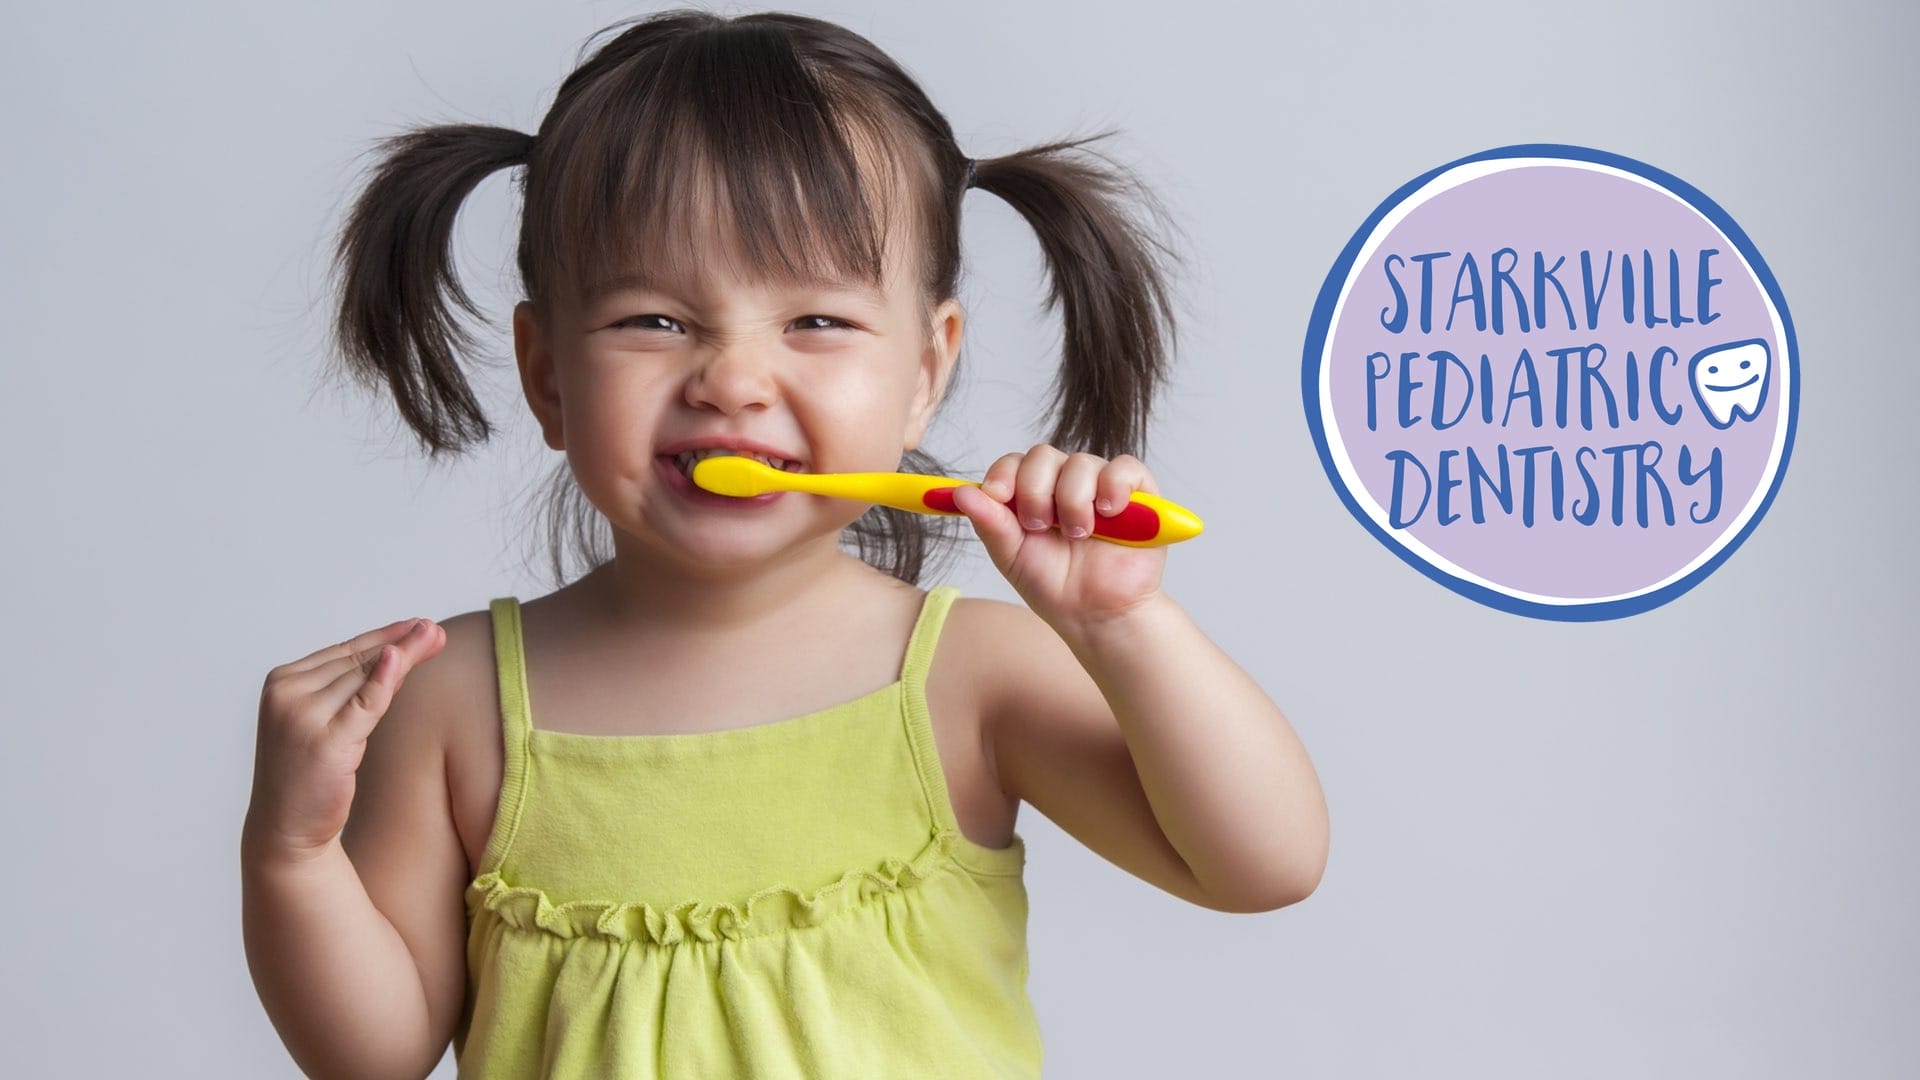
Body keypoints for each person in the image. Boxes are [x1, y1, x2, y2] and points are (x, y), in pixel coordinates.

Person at [241, 8, 1328, 1078]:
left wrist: (1123, 625)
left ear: (924, 371)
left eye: (817, 321)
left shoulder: (968, 678)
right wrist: (291, 851)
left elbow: (1262, 866)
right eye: (652, 321)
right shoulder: (454, 704)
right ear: (547, 376)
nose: (732, 381)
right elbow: (370, 1055)